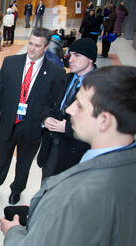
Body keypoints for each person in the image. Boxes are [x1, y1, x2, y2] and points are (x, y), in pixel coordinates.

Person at [0, 66, 136, 246]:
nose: (70, 109)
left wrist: (13, 233)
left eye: (80, 105)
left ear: (104, 121)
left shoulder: (77, 195)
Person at [0, 28, 65, 205]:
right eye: (30, 44)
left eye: (37, 46)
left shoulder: (56, 72)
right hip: (9, 121)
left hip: (32, 126)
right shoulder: (10, 62)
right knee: (1, 156)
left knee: (24, 162)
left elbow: (54, 102)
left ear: (46, 47)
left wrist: (46, 120)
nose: (32, 49)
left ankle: (17, 189)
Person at [38, 38, 97, 181]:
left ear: (90, 59)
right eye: (70, 55)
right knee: (47, 183)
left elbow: (98, 125)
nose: (70, 60)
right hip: (52, 144)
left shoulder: (100, 87)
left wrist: (68, 128)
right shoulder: (64, 79)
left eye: (77, 56)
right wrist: (46, 118)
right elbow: (48, 103)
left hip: (76, 151)